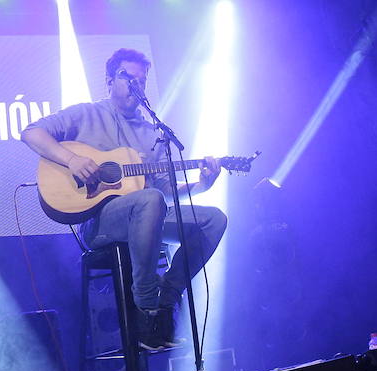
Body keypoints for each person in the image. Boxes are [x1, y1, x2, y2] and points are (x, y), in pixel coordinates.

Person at [21, 47, 227, 351]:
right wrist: (72, 159)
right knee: (150, 200)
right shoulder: (86, 114)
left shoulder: (151, 134)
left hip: (146, 212)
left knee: (213, 219)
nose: (135, 85)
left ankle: (166, 300)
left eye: (140, 81)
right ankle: (145, 309)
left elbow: (164, 194)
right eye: (126, 77)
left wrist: (200, 184)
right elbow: (31, 133)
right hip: (100, 222)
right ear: (109, 80)